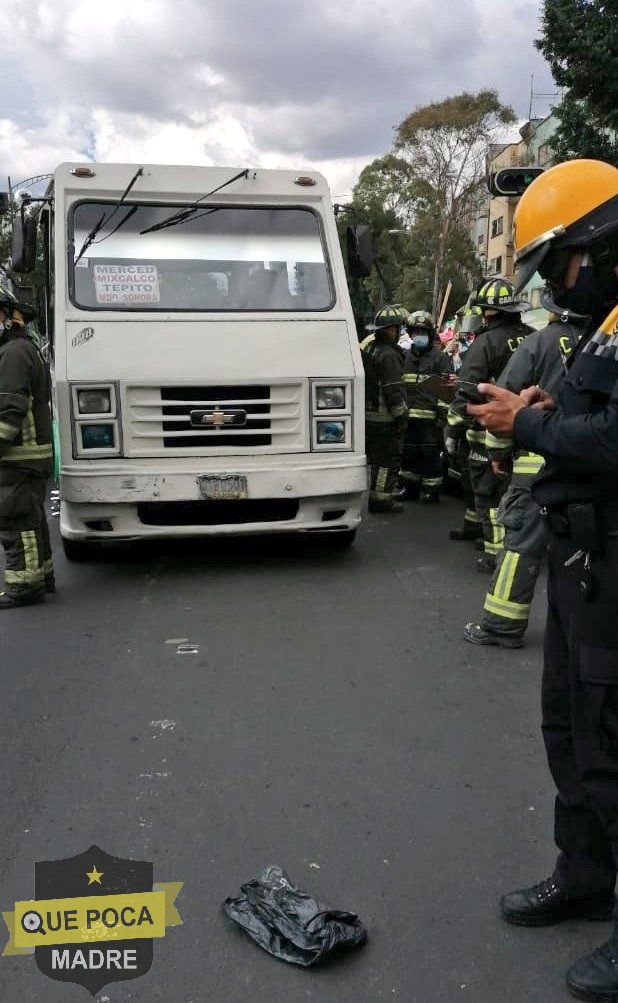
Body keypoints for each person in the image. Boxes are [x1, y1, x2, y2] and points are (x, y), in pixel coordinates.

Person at [467, 159, 618, 1003]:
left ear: (596, 244)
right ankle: (586, 874)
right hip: (584, 565)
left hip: (613, 568)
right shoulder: (604, 321)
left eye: (558, 262)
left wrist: (525, 421)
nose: (557, 284)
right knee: (570, 728)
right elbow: (599, 419)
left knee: (612, 741)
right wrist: (549, 410)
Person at [463, 310, 584, 647]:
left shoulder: (539, 343)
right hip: (591, 460)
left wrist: (498, 454)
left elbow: (502, 403)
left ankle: (501, 626)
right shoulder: (602, 340)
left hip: (538, 465)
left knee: (521, 545)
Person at [447, 278, 533, 571]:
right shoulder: (534, 337)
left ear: (489, 312)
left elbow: (469, 389)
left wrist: (452, 429)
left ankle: (495, 553)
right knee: (513, 489)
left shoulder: (486, 342)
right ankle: (474, 527)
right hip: (532, 431)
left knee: (487, 491)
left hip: (491, 432)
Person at [0, 285, 54, 607]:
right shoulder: (23, 349)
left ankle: (24, 587)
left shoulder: (13, 353)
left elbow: (8, 411)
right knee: (31, 521)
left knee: (16, 522)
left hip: (18, 458)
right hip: (30, 458)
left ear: (10, 318)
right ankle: (43, 576)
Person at [399, 310, 451, 502]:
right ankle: (409, 488)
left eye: (422, 331)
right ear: (410, 333)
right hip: (407, 417)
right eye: (415, 331)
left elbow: (446, 391)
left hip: (431, 419)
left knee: (430, 455)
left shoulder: (440, 358)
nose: (418, 335)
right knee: (408, 453)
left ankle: (431, 489)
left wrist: (442, 416)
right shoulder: (404, 357)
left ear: (429, 334)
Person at [363, 304, 408, 513]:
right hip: (383, 418)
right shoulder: (389, 354)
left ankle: (376, 495)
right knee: (385, 462)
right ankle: (381, 499)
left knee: (374, 460)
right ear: (392, 330)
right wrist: (402, 417)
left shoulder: (370, 348)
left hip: (367, 415)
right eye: (397, 328)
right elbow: (392, 389)